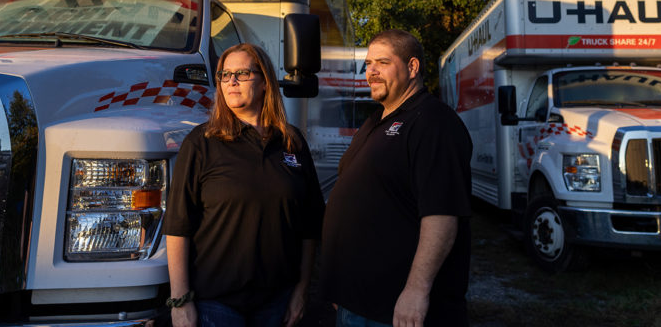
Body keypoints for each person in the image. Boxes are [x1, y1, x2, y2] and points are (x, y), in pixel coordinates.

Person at [163, 43, 325, 327]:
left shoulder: (292, 142)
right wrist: (180, 301)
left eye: (242, 73)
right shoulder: (201, 143)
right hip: (215, 304)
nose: (232, 82)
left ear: (264, 83)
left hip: (278, 302)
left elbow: (310, 227)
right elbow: (178, 227)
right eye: (225, 75)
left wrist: (301, 291)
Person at [321, 30, 473, 327]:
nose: (371, 72)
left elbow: (441, 215)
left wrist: (416, 290)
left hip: (392, 310)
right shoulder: (375, 122)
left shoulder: (433, 122)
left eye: (382, 62)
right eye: (367, 64)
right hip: (356, 302)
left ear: (412, 67)